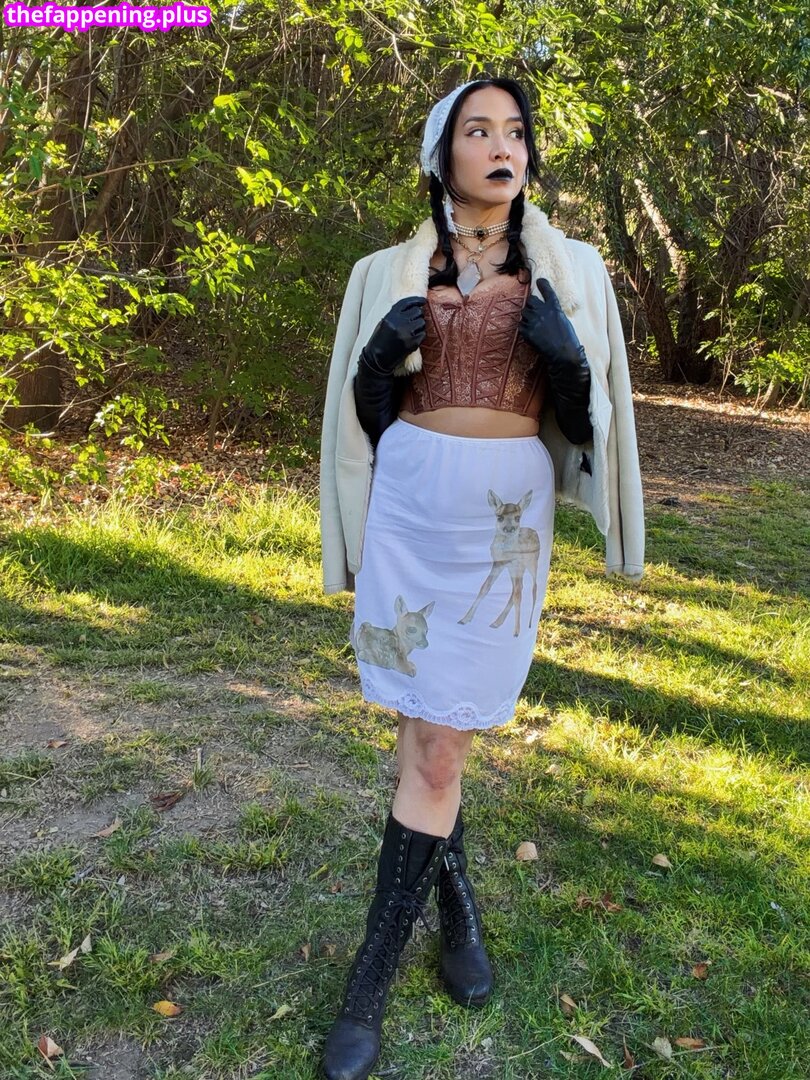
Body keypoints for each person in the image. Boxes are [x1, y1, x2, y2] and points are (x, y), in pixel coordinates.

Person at [318, 75, 644, 1080]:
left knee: (439, 743)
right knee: (427, 731)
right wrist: (373, 370)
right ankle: (453, 910)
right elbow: (366, 423)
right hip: (412, 504)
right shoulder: (384, 271)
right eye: (479, 129)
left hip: (503, 517)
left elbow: (587, 431)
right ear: (443, 154)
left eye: (516, 131)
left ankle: (369, 981)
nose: (503, 145)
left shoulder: (573, 272)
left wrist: (572, 367)